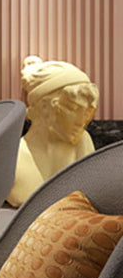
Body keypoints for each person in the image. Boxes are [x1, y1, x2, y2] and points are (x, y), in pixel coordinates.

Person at [6, 54, 98, 206]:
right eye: (74, 108)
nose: (83, 120)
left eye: (87, 111)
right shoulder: (14, 157)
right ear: (44, 107)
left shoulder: (82, 142)